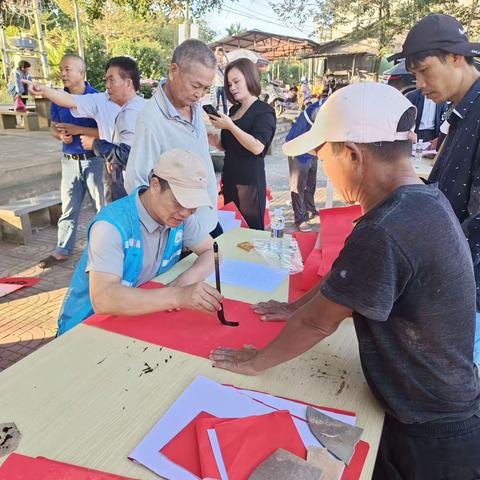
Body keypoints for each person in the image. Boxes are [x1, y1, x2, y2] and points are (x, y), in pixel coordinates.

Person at [210, 82, 480, 479]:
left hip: (432, 431)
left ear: (352, 154)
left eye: (323, 156)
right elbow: (346, 278)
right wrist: (292, 307)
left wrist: (258, 361)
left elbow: (321, 321)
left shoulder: (388, 226)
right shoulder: (420, 199)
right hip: (436, 403)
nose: (324, 171)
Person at [389, 13, 480, 364]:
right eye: (414, 75)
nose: (421, 84)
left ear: (456, 57)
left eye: (425, 70)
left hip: (466, 291)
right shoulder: (458, 111)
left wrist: (438, 283)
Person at [57, 149, 223, 335]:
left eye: (193, 206)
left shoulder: (180, 218)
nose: (186, 212)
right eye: (179, 201)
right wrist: (178, 296)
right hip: (86, 327)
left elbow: (213, 252)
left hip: (135, 319)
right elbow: (103, 298)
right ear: (155, 185)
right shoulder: (111, 225)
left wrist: (189, 278)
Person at [125, 39, 221, 238]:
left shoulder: (193, 106)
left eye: (205, 89)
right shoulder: (151, 120)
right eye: (196, 85)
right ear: (173, 70)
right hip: (180, 231)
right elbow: (137, 182)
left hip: (207, 219)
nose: (199, 95)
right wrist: (171, 228)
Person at [26, 56, 145, 202]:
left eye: (111, 80)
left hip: (139, 181)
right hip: (114, 175)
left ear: (128, 83)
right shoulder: (101, 100)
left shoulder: (144, 110)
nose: (107, 85)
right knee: (115, 216)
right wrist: (43, 90)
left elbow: (128, 154)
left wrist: (94, 144)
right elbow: (69, 100)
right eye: (106, 80)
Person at [38, 55, 104, 269]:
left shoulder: (98, 99)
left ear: (81, 73)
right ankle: (62, 250)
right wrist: (59, 136)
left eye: (67, 69)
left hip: (94, 161)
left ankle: (104, 248)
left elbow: (107, 131)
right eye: (61, 69)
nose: (63, 73)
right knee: (68, 209)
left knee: (101, 208)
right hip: (69, 161)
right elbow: (53, 126)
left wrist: (80, 131)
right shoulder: (58, 98)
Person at [207, 58, 276, 230]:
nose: (232, 88)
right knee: (231, 231)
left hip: (250, 184)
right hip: (230, 181)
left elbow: (257, 147)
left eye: (236, 81)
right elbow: (231, 148)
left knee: (250, 236)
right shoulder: (233, 110)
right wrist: (217, 143)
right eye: (229, 84)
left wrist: (230, 126)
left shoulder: (263, 110)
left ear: (249, 78)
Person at [286, 99, 325, 231]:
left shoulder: (332, 106)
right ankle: (300, 219)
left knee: (311, 182)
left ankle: (310, 208)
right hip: (297, 146)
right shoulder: (321, 110)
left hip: (311, 147)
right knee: (298, 186)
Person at [214, 47, 228, 114]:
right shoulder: (215, 66)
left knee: (225, 103)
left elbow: (228, 62)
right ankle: (216, 115)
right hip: (217, 85)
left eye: (221, 56)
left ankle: (226, 115)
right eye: (219, 56)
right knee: (216, 103)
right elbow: (213, 58)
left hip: (223, 86)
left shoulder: (224, 66)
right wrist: (216, 51)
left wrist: (225, 54)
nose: (220, 57)